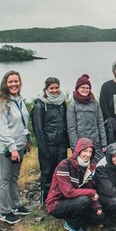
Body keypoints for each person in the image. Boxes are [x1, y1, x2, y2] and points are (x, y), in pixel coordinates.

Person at [0, 70, 33, 225]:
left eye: (16, 81)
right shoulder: (1, 103)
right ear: (5, 84)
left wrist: (27, 140)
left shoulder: (18, 100)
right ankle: (4, 211)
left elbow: (22, 122)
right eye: (10, 82)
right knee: (4, 179)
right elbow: (1, 128)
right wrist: (12, 148)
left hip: (19, 145)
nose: (14, 84)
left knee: (14, 178)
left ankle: (16, 205)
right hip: (5, 149)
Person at [46, 137, 104, 231]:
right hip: (57, 203)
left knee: (99, 217)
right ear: (78, 151)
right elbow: (68, 192)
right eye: (85, 151)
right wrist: (91, 193)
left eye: (90, 152)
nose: (88, 154)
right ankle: (71, 224)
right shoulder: (64, 165)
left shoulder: (89, 167)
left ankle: (72, 216)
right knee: (84, 200)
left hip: (74, 201)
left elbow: (89, 188)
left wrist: (97, 206)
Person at [32, 77, 70, 205]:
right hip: (48, 145)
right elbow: (38, 129)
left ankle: (60, 196)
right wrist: (43, 148)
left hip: (61, 144)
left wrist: (67, 143)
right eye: (51, 88)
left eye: (56, 88)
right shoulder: (40, 105)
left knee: (62, 171)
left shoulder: (62, 103)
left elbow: (65, 123)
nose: (54, 90)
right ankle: (47, 200)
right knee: (47, 173)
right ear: (46, 89)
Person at [67, 74, 107, 160]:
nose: (85, 90)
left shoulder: (95, 103)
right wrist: (75, 148)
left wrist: (104, 143)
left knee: (99, 168)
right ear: (77, 88)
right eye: (82, 87)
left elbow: (100, 124)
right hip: (81, 145)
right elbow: (71, 129)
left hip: (95, 143)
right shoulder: (72, 106)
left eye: (87, 88)